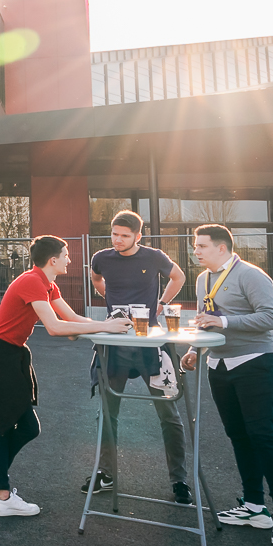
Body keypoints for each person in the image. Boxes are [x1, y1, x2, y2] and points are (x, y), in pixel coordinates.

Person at [0, 235, 128, 517]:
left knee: (28, 428)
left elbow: (73, 319)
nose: (69, 259)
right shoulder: (31, 281)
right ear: (53, 260)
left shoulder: (47, 283)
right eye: (66, 255)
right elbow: (54, 327)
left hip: (12, 355)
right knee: (4, 423)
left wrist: (108, 326)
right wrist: (105, 327)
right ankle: (2, 496)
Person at [181, 224, 273, 546]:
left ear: (222, 248)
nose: (196, 251)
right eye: (195, 246)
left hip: (258, 364)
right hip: (219, 367)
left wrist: (226, 322)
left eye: (201, 246)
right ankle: (254, 506)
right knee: (239, 436)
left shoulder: (251, 275)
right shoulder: (203, 279)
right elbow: (207, 320)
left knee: (261, 434)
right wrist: (193, 350)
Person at [87, 210, 193, 503]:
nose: (118, 240)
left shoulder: (153, 256)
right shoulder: (101, 258)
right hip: (115, 344)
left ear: (138, 236)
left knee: (168, 413)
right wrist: (105, 294)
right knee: (108, 412)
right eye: (114, 234)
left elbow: (179, 276)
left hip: (150, 344)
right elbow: (96, 278)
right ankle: (105, 474)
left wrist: (161, 302)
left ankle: (179, 480)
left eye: (124, 235)